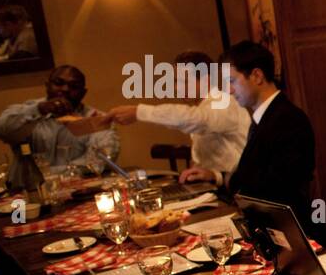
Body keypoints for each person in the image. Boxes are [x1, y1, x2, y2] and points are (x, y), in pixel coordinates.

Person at [181, 41, 316, 226]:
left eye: (232, 81)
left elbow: (277, 190)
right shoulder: (264, 116)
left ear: (257, 76)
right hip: (263, 221)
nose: (228, 90)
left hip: (286, 229)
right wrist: (216, 176)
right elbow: (250, 176)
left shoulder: (288, 120)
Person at [105, 51, 251, 183]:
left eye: (183, 82)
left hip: (238, 188)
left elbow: (194, 119)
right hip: (214, 185)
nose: (176, 88)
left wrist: (138, 111)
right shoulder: (205, 106)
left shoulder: (225, 103)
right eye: (175, 82)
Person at [0, 65, 119, 188]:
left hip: (78, 192)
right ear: (47, 85)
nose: (65, 89)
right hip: (28, 192)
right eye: (58, 83)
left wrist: (46, 175)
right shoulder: (28, 110)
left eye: (73, 86)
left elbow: (98, 162)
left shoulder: (96, 119)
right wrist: (39, 110)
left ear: (83, 92)